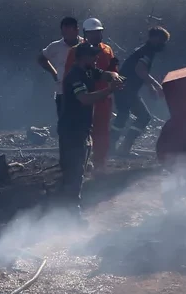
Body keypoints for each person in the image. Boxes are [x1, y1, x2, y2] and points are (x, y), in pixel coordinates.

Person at [59, 42, 118, 216]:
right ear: (83, 57)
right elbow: (84, 99)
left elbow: (106, 74)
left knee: (78, 170)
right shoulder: (75, 76)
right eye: (93, 55)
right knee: (74, 172)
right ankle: (71, 212)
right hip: (72, 131)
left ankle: (69, 208)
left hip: (81, 129)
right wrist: (109, 91)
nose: (96, 58)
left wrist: (115, 77)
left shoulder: (88, 71)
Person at [62, 17, 121, 167]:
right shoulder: (76, 52)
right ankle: (77, 166)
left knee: (102, 132)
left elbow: (109, 72)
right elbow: (71, 77)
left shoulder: (107, 50)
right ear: (85, 34)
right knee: (81, 133)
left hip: (102, 97)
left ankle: (99, 164)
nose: (97, 35)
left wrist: (115, 76)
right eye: (93, 33)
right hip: (84, 98)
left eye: (99, 32)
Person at [112, 26, 171, 155]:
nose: (163, 44)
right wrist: (157, 86)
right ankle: (122, 148)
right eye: (162, 40)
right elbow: (140, 70)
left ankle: (111, 147)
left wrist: (150, 87)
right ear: (154, 38)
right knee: (143, 116)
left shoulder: (143, 50)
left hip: (123, 87)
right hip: (126, 89)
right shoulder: (147, 51)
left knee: (123, 115)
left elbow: (139, 71)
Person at [36, 16, 82, 117]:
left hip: (82, 91)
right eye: (64, 32)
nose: (66, 35)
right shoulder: (55, 46)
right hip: (62, 91)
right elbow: (41, 58)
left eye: (69, 32)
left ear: (76, 30)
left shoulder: (84, 45)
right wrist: (54, 73)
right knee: (64, 121)